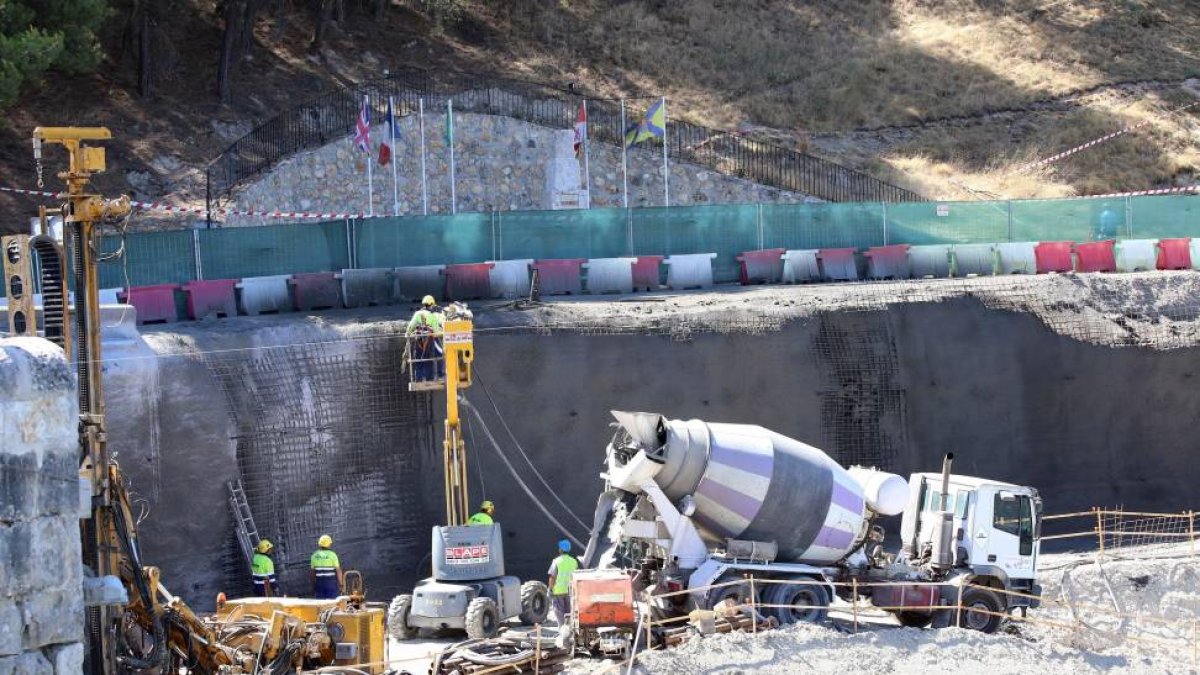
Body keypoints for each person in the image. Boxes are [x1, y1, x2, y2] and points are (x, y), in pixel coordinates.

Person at [406, 295, 444, 382]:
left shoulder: (417, 314)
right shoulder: (432, 316)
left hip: (418, 339)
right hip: (428, 341)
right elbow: (436, 332)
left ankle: (418, 378)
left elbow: (410, 327)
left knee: (418, 358)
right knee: (428, 358)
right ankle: (429, 378)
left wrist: (407, 334)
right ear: (432, 305)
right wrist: (442, 332)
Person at [547, 539, 578, 626]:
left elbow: (552, 577)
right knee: (569, 613)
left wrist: (550, 589)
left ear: (560, 549)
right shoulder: (574, 561)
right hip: (570, 592)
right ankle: (570, 630)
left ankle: (562, 631)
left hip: (558, 592)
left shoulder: (556, 561)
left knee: (559, 614)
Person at [310, 534, 343, 599]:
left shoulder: (314, 555)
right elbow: (338, 571)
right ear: (329, 544)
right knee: (332, 605)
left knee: (321, 605)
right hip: (331, 584)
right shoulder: (333, 555)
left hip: (319, 584)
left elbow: (312, 574)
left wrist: (313, 586)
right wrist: (341, 584)